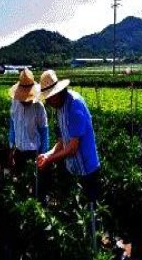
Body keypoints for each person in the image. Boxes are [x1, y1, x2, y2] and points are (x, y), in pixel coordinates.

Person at [36, 70, 100, 204]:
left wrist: (49, 160)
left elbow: (72, 148)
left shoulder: (74, 105)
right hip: (73, 169)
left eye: (49, 97)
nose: (47, 102)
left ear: (57, 93)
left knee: (89, 213)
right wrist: (48, 154)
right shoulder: (59, 108)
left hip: (87, 170)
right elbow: (62, 141)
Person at [8, 68, 49, 177]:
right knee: (19, 180)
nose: (25, 100)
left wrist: (43, 155)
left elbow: (44, 133)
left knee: (33, 182)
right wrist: (11, 149)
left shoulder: (39, 107)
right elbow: (12, 126)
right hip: (19, 151)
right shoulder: (14, 104)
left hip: (34, 153)